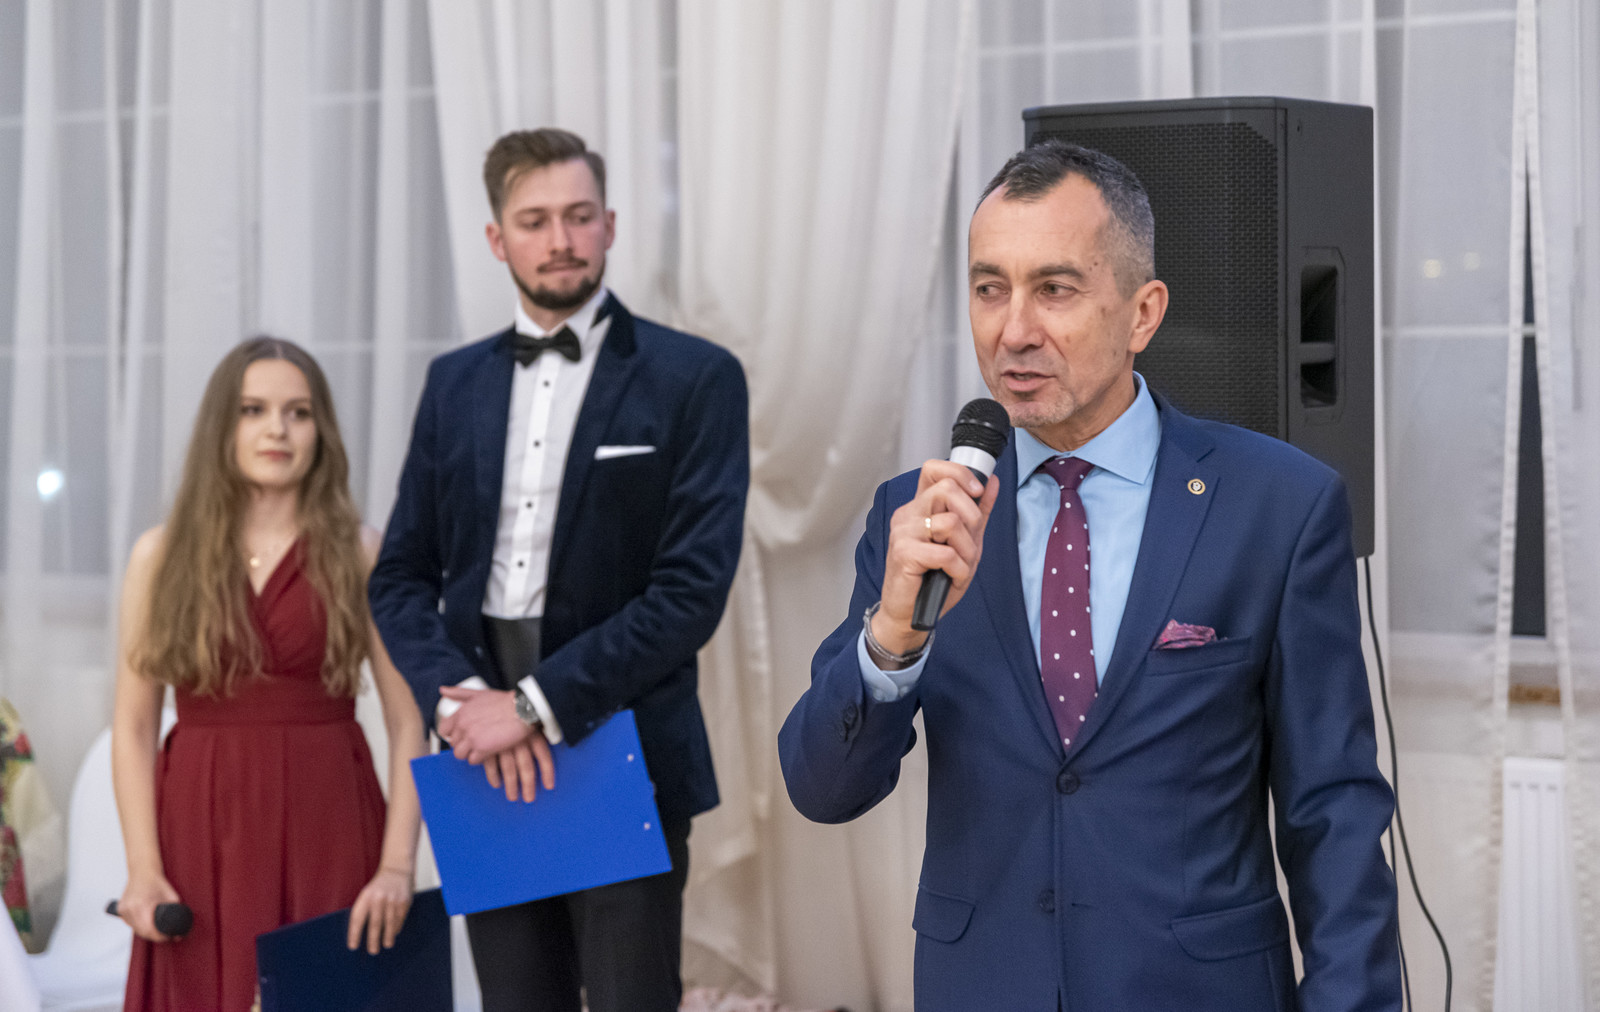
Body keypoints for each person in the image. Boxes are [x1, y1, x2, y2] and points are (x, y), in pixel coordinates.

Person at [778, 141, 1401, 1011]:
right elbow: (823, 790)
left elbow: (1333, 815)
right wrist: (892, 639)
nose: (1013, 330)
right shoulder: (922, 516)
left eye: (1055, 289)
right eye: (989, 288)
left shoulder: (1278, 506)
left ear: (1143, 314)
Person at [369, 127, 748, 1012]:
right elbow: (399, 577)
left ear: (610, 225)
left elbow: (690, 591)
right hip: (479, 754)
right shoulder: (451, 383)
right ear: (497, 238)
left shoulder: (696, 377)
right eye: (534, 221)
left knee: (628, 999)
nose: (561, 240)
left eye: (579, 216)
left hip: (622, 742)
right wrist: (465, 708)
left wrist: (531, 708)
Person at [112, 337, 427, 1011]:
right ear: (221, 426)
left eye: (299, 412)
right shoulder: (158, 556)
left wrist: (397, 866)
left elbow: (409, 723)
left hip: (331, 821)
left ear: (321, 432)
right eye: (252, 409)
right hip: (199, 826)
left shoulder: (362, 552)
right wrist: (142, 868)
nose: (277, 429)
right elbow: (134, 727)